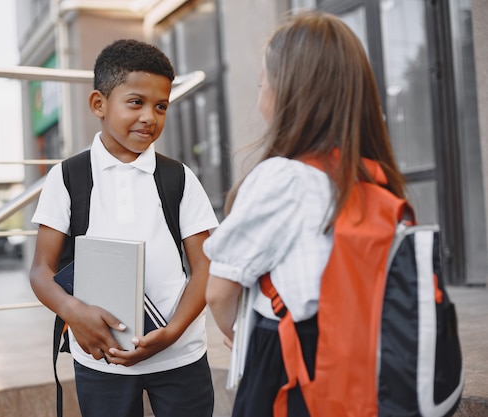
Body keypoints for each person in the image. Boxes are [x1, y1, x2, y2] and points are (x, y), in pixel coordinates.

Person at [202, 11, 407, 417]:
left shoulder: (283, 179)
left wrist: (240, 334)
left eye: (263, 85)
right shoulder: (371, 176)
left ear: (286, 95)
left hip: (290, 365)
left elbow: (219, 292)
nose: (259, 97)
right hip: (361, 359)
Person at [29, 39, 218, 417]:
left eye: (161, 106)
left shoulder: (178, 178)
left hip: (179, 356)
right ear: (99, 104)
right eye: (136, 102)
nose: (150, 116)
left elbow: (205, 267)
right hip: (101, 359)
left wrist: (173, 332)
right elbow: (41, 271)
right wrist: (72, 312)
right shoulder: (67, 178)